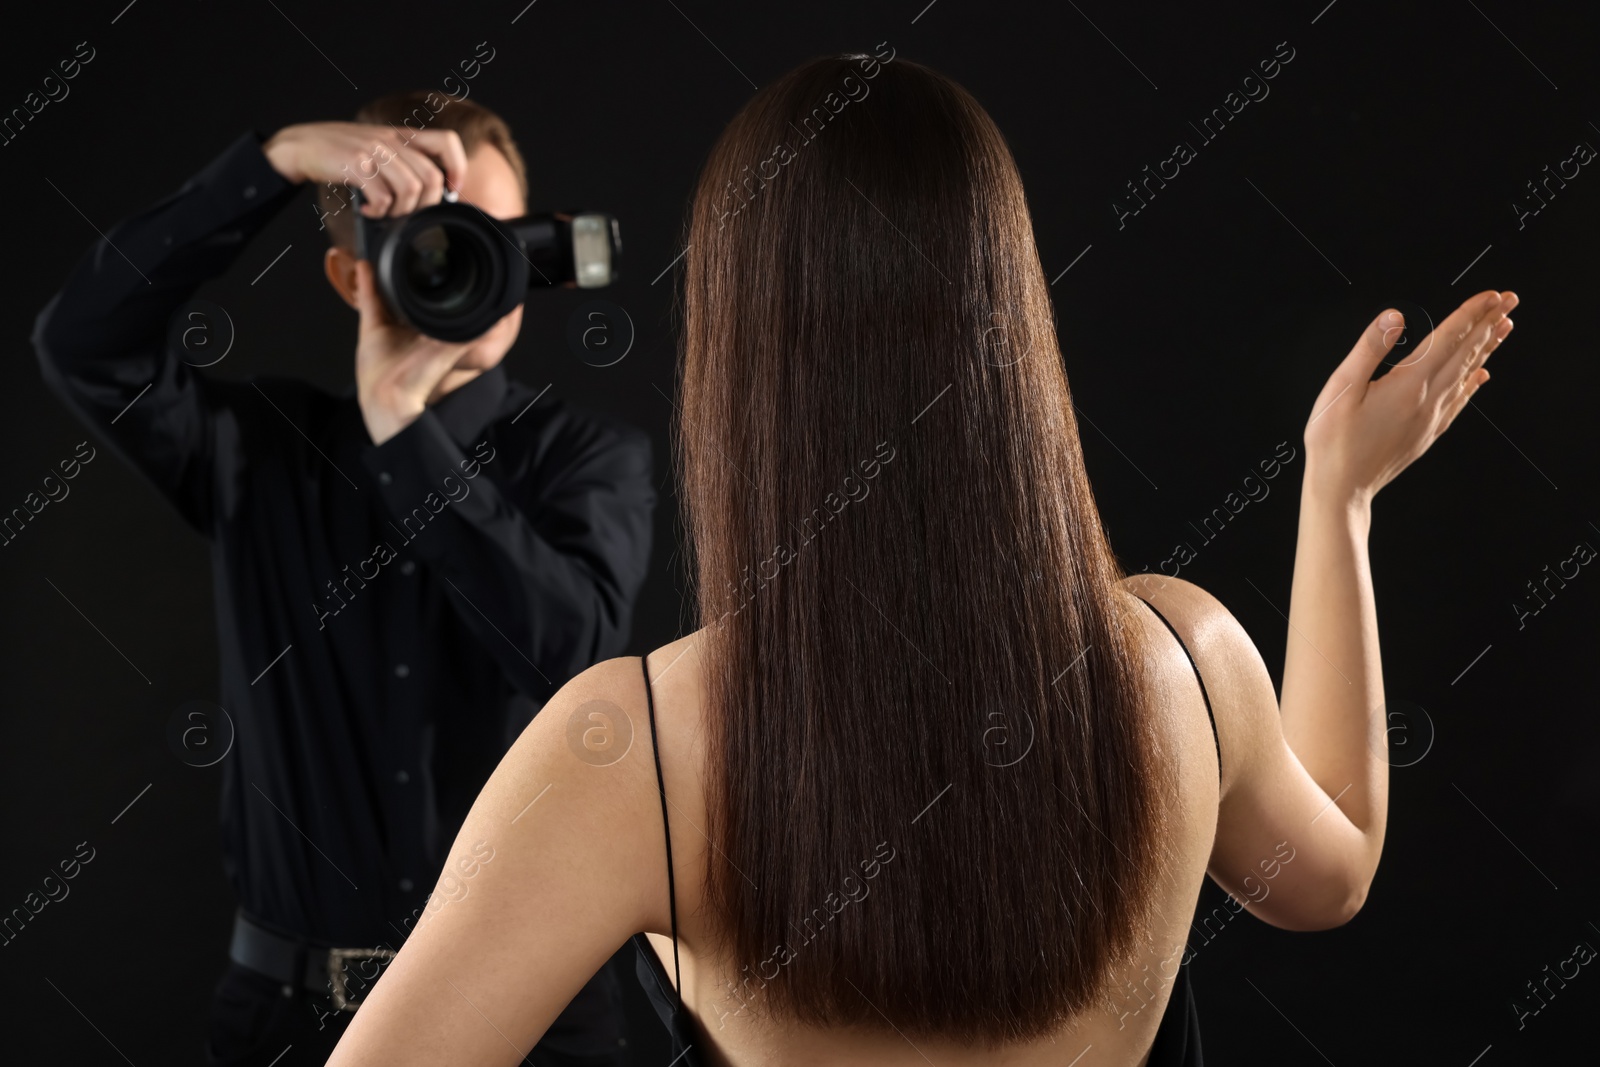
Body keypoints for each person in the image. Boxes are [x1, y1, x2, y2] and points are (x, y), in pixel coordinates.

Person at [319, 55, 1518, 1067]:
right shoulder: (1186, 660)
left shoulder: (633, 745)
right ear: (1007, 314)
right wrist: (1338, 499)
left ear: (739, 350)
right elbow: (1334, 872)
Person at [31, 91, 654, 1066]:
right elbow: (83, 343)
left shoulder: (589, 459)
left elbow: (568, 660)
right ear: (352, 276)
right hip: (284, 1017)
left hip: (531, 1019)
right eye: (436, 245)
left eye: (498, 238)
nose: (473, 270)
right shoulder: (257, 450)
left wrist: (409, 437)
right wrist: (270, 164)